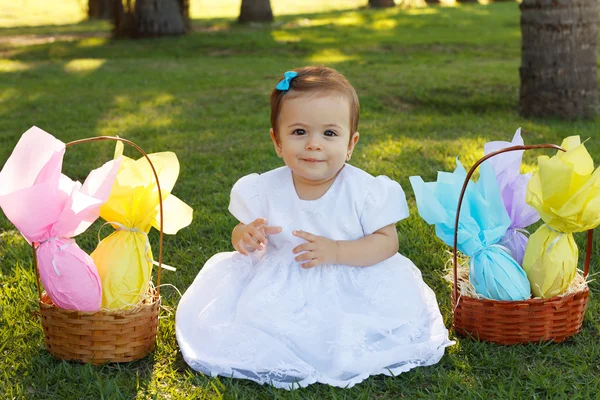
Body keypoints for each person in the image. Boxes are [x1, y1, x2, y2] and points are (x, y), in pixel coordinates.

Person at [176, 66, 453, 389]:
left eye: (329, 134)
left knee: (351, 327)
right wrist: (245, 236)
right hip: (281, 280)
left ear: (351, 143)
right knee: (260, 321)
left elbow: (387, 242)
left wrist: (337, 250)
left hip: (349, 276)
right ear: (277, 141)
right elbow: (242, 231)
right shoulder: (264, 188)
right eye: (299, 132)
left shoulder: (363, 191)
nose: (313, 144)